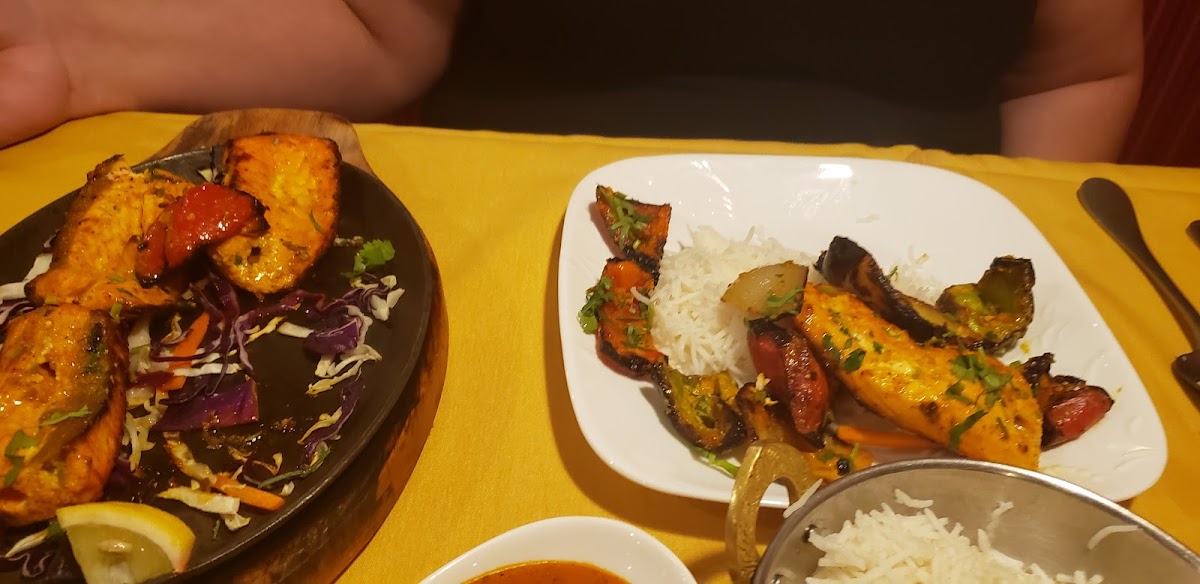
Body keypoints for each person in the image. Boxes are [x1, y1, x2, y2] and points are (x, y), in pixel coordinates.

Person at [0, 0, 1142, 163]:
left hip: (922, 276)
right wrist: (76, 49)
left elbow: (1081, 68)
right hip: (513, 257)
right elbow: (385, 36)